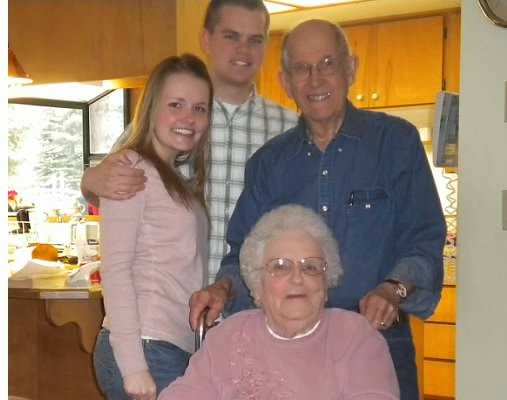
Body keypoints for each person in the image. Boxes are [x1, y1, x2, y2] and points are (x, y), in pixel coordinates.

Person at [189, 19, 447, 400]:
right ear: (286, 82)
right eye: (302, 68)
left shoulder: (395, 143)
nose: (315, 79)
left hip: (377, 339)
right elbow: (243, 252)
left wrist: (392, 289)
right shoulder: (269, 163)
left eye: (328, 63)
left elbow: (423, 240)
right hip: (288, 351)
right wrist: (222, 288)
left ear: (350, 68)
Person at [80, 0, 298, 283]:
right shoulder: (169, 122)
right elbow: (110, 187)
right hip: (173, 299)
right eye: (231, 36)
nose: (243, 50)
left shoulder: (290, 128)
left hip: (254, 298)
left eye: (255, 40)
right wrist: (90, 180)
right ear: (206, 39)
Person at [159, 205, 400, 400]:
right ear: (258, 285)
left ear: (326, 283)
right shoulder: (228, 337)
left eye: (310, 267)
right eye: (281, 267)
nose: (297, 278)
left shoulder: (356, 338)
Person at [93, 53, 213, 400]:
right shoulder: (132, 168)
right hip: (146, 349)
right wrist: (133, 367)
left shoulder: (171, 176)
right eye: (176, 104)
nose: (189, 118)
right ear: (151, 108)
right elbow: (116, 269)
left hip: (165, 347)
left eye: (199, 108)